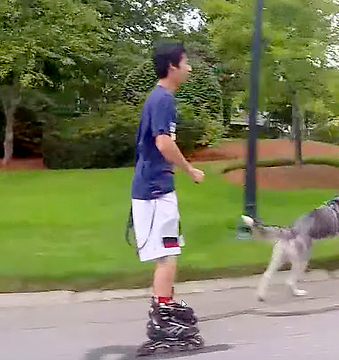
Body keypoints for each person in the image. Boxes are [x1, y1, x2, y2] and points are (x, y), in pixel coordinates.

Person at [129, 40, 206, 355]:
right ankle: (161, 316)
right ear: (172, 66)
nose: (189, 68)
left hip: (157, 188)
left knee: (169, 250)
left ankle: (165, 305)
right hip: (154, 190)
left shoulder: (162, 98)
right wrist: (189, 169)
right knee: (167, 254)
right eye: (186, 62)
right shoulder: (162, 99)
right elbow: (163, 143)